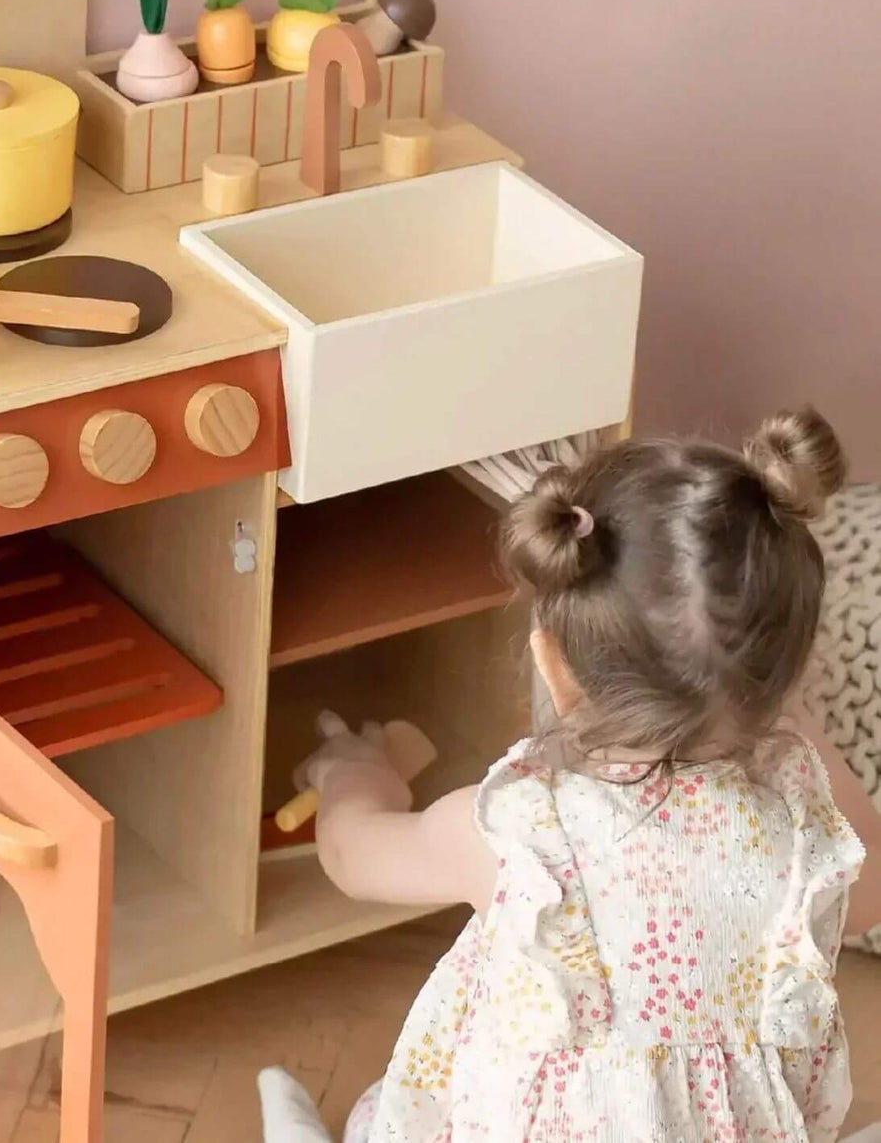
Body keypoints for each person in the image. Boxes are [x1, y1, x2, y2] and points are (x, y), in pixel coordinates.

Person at [265, 407, 878, 1141]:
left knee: (401, 1106)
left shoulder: (517, 830)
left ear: (552, 665)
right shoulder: (808, 832)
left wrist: (350, 775)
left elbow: (350, 854)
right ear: (782, 676)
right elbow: (866, 901)